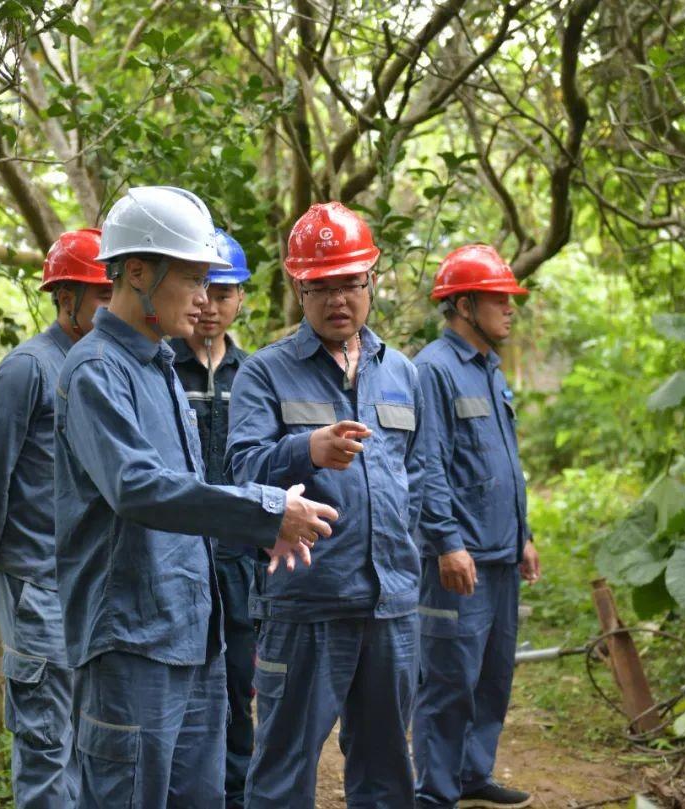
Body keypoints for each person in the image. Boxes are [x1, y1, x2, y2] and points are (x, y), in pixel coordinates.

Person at [53, 186, 338, 809]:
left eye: (212, 282)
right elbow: (138, 488)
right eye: (192, 278)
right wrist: (264, 512)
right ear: (136, 271)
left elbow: (190, 496)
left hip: (193, 635)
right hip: (130, 642)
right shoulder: (95, 371)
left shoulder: (158, 366)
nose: (206, 298)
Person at [226, 201, 425, 809]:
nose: (338, 299)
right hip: (309, 602)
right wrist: (306, 449)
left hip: (392, 603)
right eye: (321, 287)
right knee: (284, 770)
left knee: (388, 770)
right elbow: (242, 470)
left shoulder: (404, 375)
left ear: (371, 279)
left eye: (350, 284)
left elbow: (416, 473)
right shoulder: (264, 374)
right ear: (298, 286)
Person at [0, 228, 113, 808]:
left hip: (100, 580)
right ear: (64, 297)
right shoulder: (28, 368)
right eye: (99, 297)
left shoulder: (112, 367)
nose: (109, 307)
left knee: (97, 735)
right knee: (48, 737)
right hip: (40, 581)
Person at [411, 245, 541, 809]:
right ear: (463, 305)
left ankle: (471, 776)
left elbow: (502, 459)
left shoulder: (489, 368)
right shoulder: (433, 370)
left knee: (492, 676)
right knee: (448, 679)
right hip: (458, 558)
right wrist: (446, 542)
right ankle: (435, 792)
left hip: (500, 552)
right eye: (497, 299)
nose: (509, 309)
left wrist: (525, 535)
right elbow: (427, 465)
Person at [168, 227, 255, 809]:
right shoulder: (159, 366)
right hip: (178, 557)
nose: (212, 307)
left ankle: (238, 791)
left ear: (241, 298)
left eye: (225, 294)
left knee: (240, 684)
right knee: (184, 685)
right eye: (204, 290)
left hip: (243, 558)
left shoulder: (255, 373)